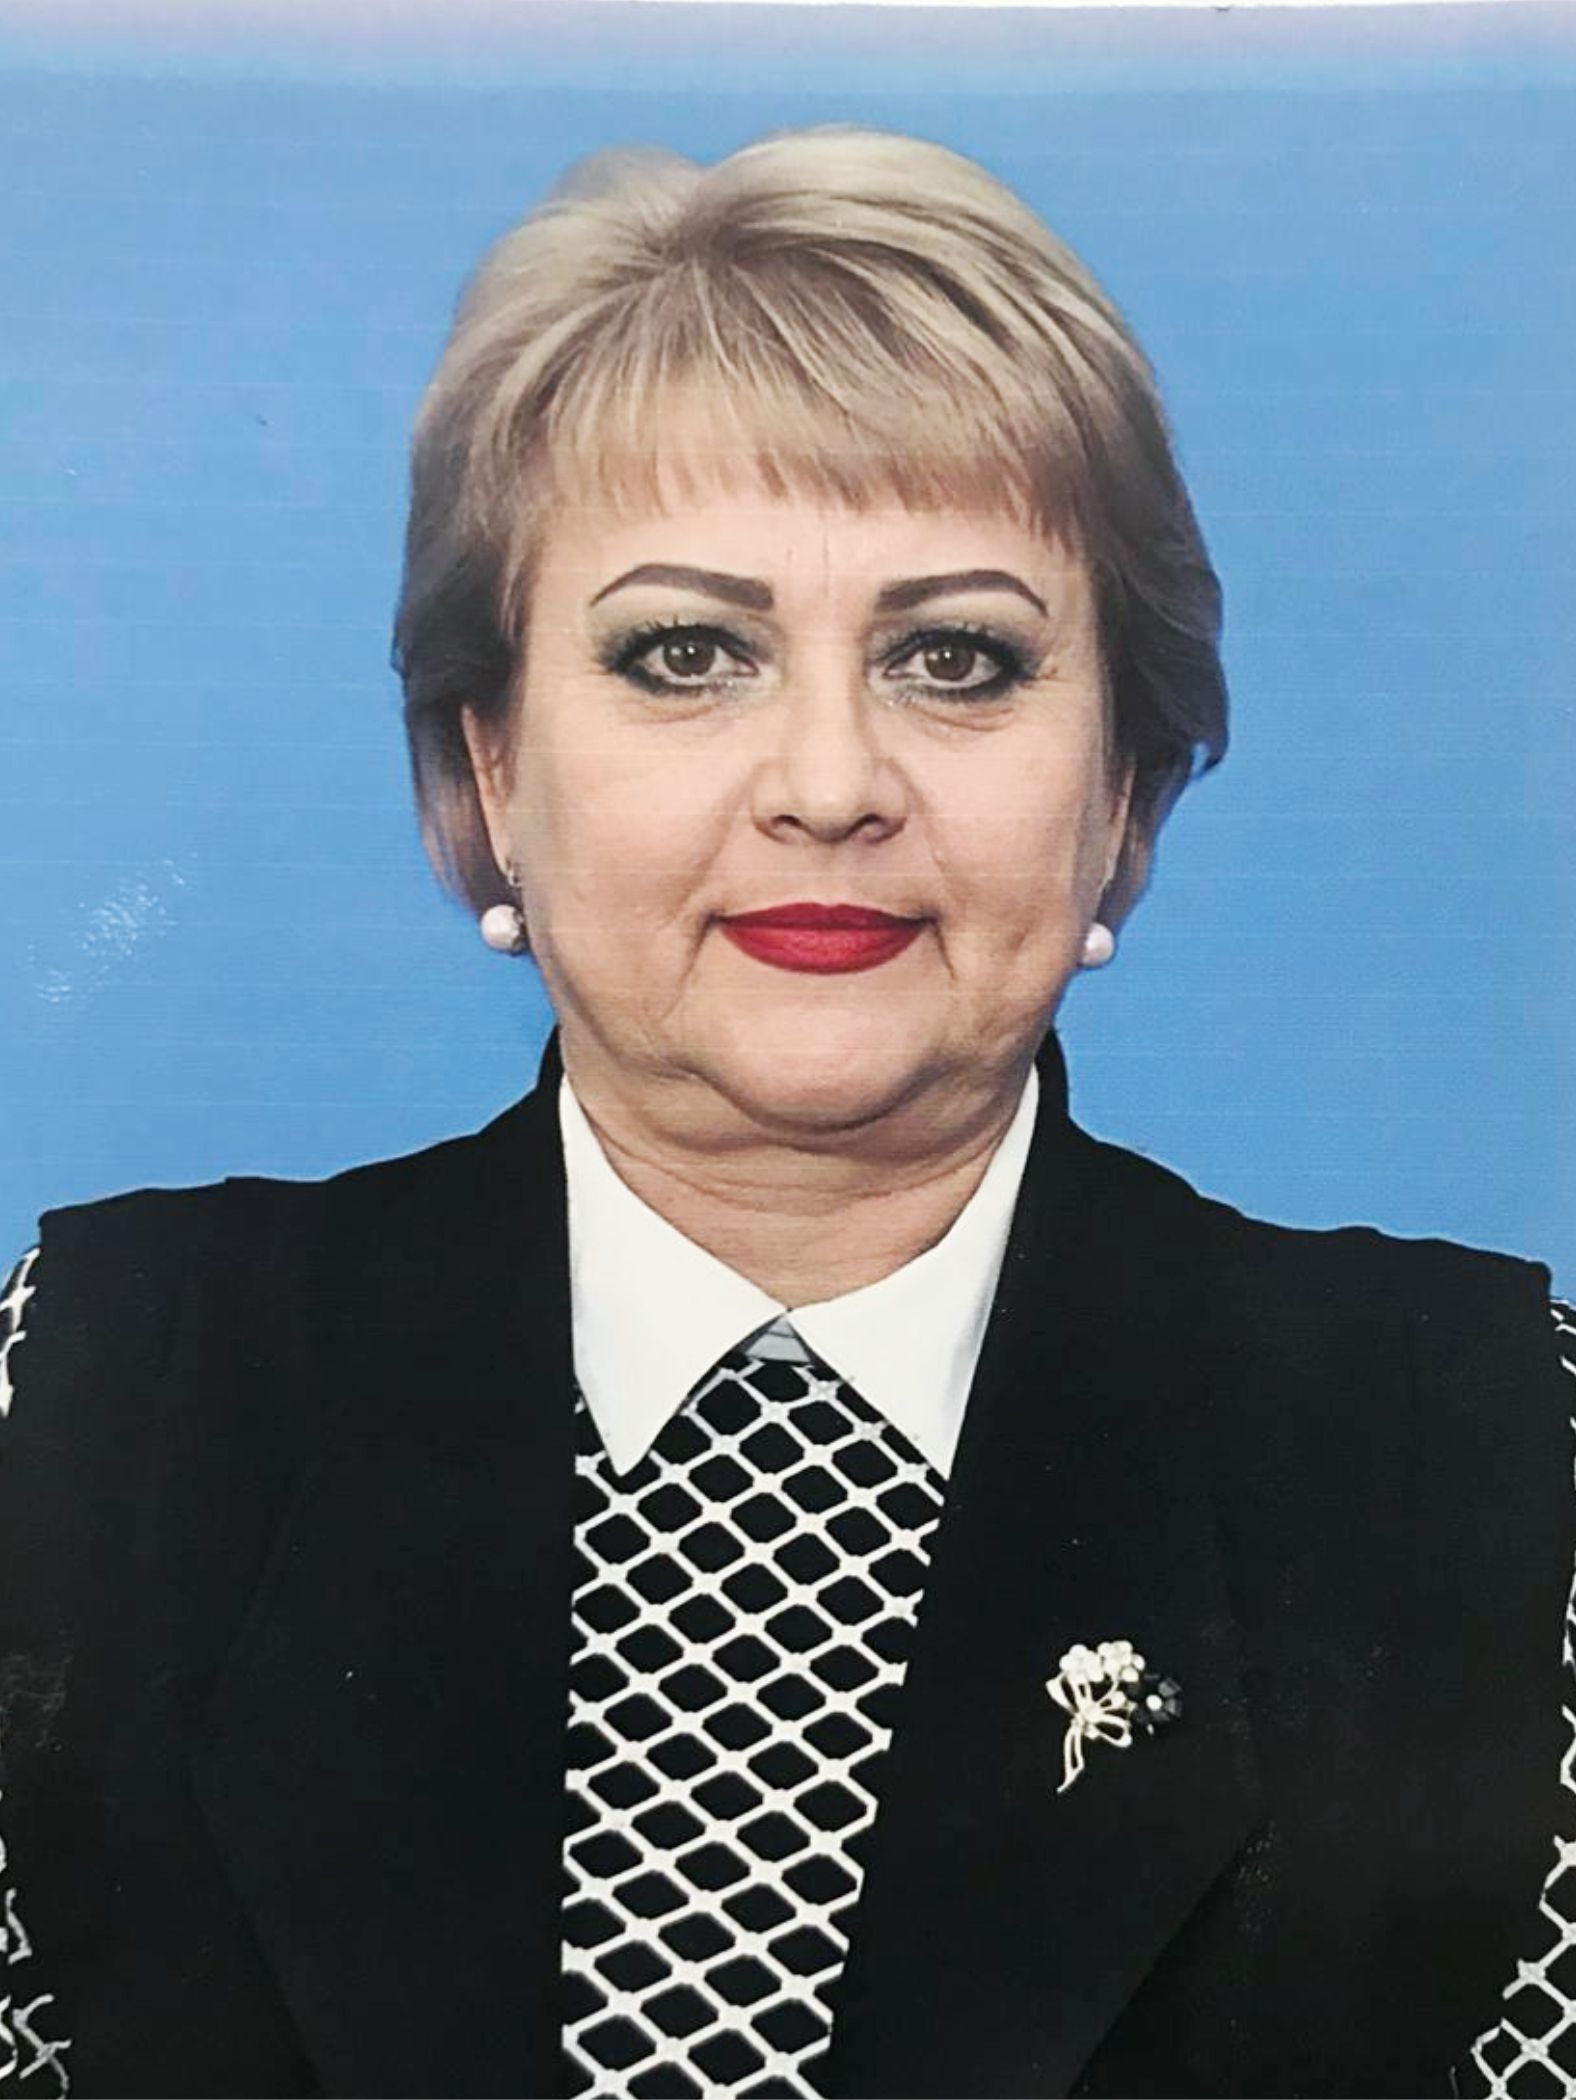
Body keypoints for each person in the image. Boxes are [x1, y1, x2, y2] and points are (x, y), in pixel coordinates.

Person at [0, 124, 1570, 2100]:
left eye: (955, 658)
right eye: (687, 654)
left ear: (1123, 797)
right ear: (486, 772)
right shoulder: (80, 1406)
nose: (830, 784)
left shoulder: (1503, 1463)